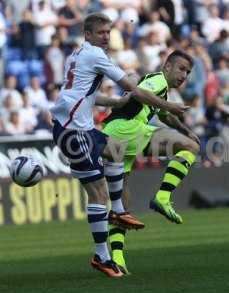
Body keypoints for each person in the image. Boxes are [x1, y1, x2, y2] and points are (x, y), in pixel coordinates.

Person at [50, 12, 187, 277]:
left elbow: (84, 94)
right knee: (98, 193)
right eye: (101, 32)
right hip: (72, 132)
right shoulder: (95, 56)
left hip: (82, 127)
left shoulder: (78, 55)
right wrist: (169, 105)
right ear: (87, 34)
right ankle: (102, 256)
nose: (106, 36)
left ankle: (119, 212)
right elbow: (135, 89)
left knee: (115, 150)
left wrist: (116, 103)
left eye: (108, 31)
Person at [102, 49, 200, 274]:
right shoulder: (156, 80)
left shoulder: (161, 91)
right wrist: (169, 107)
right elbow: (138, 94)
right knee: (190, 147)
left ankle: (116, 258)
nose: (184, 75)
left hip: (113, 134)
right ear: (167, 66)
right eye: (181, 69)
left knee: (121, 205)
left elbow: (165, 115)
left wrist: (185, 129)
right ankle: (163, 197)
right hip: (127, 129)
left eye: (188, 72)